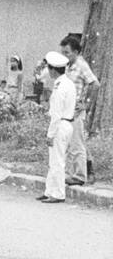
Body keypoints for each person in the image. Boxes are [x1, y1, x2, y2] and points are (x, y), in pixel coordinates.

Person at [60, 35, 100, 185]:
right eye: (63, 52)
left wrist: (87, 104)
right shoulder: (67, 66)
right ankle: (73, 172)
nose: (65, 55)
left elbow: (95, 84)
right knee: (71, 143)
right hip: (67, 110)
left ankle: (79, 176)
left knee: (77, 144)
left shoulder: (81, 65)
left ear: (76, 52)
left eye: (67, 52)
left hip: (76, 110)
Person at [41, 51, 76, 204]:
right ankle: (49, 190)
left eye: (49, 69)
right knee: (54, 160)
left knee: (57, 161)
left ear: (53, 70)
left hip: (60, 124)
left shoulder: (60, 87)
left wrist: (50, 134)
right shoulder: (68, 83)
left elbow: (56, 114)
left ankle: (58, 193)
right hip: (67, 123)